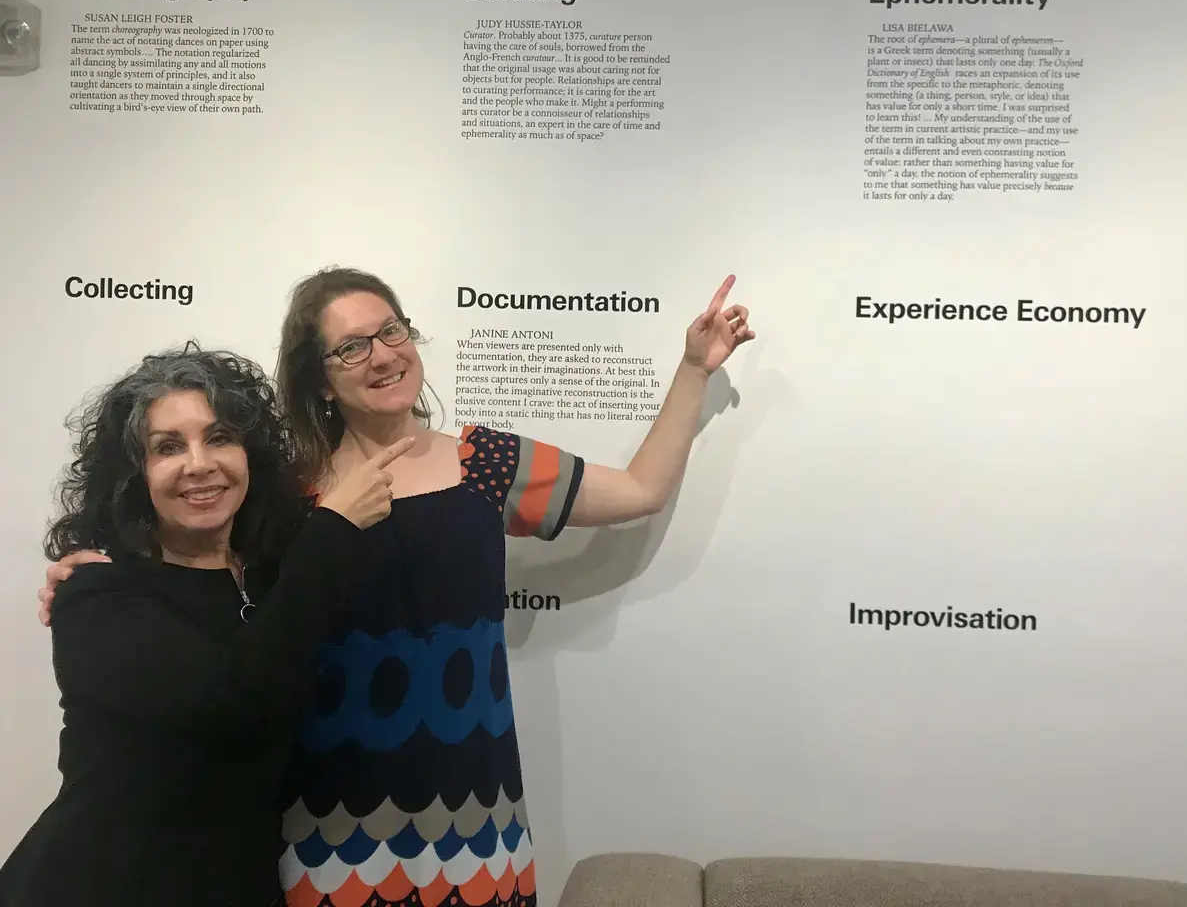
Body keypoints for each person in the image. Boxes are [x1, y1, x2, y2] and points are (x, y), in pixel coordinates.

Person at [36, 268, 755, 907]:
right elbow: (203, 578)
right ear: (320, 377)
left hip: (475, 807)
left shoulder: (486, 462)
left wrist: (693, 370)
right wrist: (88, 573)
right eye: (351, 347)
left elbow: (639, 489)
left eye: (391, 331)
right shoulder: (285, 493)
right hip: (329, 816)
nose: (382, 355)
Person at [2, 344, 415, 907]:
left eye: (219, 437)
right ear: (135, 476)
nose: (200, 463)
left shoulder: (272, 579)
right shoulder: (97, 596)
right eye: (168, 447)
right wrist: (333, 530)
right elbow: (233, 698)